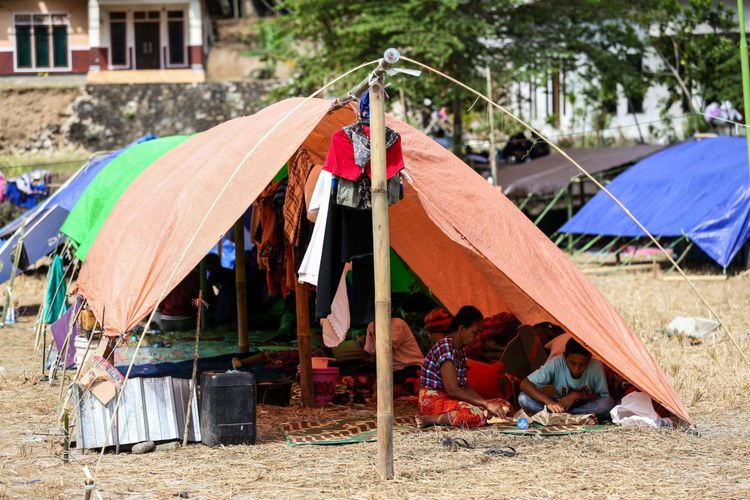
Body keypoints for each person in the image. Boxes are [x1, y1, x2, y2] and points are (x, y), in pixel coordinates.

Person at [416, 306, 512, 429]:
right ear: (461, 328)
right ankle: (431, 419)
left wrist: (486, 404)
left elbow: (464, 386)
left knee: (504, 404)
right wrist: (486, 404)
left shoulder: (460, 351)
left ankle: (483, 413)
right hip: (432, 401)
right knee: (476, 414)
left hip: (450, 399)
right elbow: (453, 390)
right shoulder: (445, 348)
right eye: (475, 332)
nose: (477, 337)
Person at [518, 337, 615, 420]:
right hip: (560, 405)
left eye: (582, 364)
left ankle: (564, 417)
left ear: (589, 359)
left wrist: (577, 396)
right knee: (523, 398)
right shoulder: (556, 363)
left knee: (608, 403)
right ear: (564, 357)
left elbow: (603, 396)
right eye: (572, 363)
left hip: (586, 405)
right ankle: (578, 417)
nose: (577, 369)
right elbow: (525, 384)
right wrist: (549, 403)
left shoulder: (596, 366)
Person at [364, 317, 424, 396]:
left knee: (389, 388)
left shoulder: (398, 323)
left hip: (411, 366)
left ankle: (402, 389)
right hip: (392, 371)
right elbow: (370, 351)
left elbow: (386, 349)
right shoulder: (371, 326)